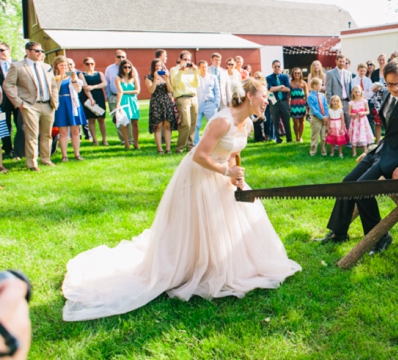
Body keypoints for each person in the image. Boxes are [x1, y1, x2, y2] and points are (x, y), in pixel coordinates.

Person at [62, 79, 301, 320]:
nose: (266, 102)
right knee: (201, 224)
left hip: (222, 174)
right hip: (201, 174)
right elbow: (199, 155)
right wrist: (226, 172)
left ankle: (223, 263)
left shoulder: (247, 122)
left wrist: (234, 176)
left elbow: (232, 153)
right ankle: (195, 266)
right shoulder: (223, 121)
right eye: (264, 96)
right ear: (249, 95)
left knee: (234, 221)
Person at [319, 59, 398, 254]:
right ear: (385, 82)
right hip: (382, 150)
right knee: (347, 183)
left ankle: (381, 237)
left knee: (363, 188)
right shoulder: (387, 95)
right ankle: (339, 232)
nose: (395, 88)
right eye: (390, 84)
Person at [3, 41, 58, 171]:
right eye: (37, 51)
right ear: (28, 51)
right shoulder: (17, 66)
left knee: (47, 134)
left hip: (48, 105)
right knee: (32, 135)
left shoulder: (46, 66)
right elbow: (7, 85)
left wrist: (55, 101)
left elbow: (53, 85)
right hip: (30, 105)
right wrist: (19, 102)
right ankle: (32, 164)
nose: (40, 53)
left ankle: (46, 159)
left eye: (42, 51)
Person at [51, 56, 85, 161]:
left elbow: (78, 89)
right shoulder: (54, 77)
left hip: (73, 103)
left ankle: (77, 153)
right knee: (63, 132)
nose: (64, 67)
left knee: (75, 131)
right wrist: (61, 77)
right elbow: (55, 89)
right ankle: (64, 155)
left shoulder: (72, 76)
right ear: (57, 66)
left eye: (66, 65)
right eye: (61, 65)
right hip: (61, 104)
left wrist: (74, 79)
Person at [105, 50, 140, 143]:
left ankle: (132, 140)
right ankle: (124, 141)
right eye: (119, 57)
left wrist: (130, 94)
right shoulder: (109, 69)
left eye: (123, 57)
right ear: (115, 57)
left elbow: (137, 88)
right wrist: (109, 96)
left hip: (130, 99)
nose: (121, 58)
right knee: (120, 120)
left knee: (133, 121)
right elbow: (107, 83)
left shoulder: (133, 70)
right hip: (114, 96)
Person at [169, 52, 200, 153]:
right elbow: (175, 84)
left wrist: (195, 72)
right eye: (185, 59)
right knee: (186, 123)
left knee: (193, 123)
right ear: (180, 59)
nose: (187, 62)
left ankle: (190, 147)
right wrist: (181, 72)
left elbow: (197, 84)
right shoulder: (174, 70)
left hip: (193, 97)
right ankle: (180, 148)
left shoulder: (192, 70)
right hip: (182, 98)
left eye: (188, 60)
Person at [146, 58, 177, 154]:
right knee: (158, 126)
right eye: (156, 66)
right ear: (152, 67)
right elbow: (151, 90)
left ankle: (168, 148)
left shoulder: (165, 76)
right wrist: (155, 79)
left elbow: (170, 90)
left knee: (167, 126)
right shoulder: (148, 77)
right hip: (156, 102)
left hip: (166, 101)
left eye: (160, 66)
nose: (158, 68)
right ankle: (159, 149)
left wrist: (167, 80)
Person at [80, 58, 108, 146]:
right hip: (88, 98)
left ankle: (104, 139)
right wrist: (91, 99)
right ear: (84, 65)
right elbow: (85, 87)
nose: (90, 65)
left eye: (92, 63)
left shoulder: (99, 74)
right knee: (91, 120)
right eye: (87, 64)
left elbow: (104, 83)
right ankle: (95, 140)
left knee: (101, 119)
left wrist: (93, 87)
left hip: (99, 97)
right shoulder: (81, 74)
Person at [114, 59, 140, 151]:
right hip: (123, 101)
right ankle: (127, 144)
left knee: (135, 123)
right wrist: (118, 104)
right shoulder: (118, 78)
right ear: (121, 68)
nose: (127, 69)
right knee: (125, 123)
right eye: (125, 67)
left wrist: (124, 91)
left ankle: (136, 143)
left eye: (129, 67)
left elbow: (137, 90)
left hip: (133, 101)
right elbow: (119, 91)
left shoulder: (134, 77)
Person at [194, 60, 221, 146]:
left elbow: (217, 91)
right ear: (199, 68)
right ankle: (196, 143)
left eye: (205, 67)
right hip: (198, 102)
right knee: (196, 124)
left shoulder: (213, 77)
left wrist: (216, 103)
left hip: (210, 103)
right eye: (202, 67)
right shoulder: (195, 77)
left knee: (212, 124)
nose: (204, 69)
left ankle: (212, 142)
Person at [266, 61, 292, 144]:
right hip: (274, 101)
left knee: (286, 120)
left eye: (278, 66)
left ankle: (289, 138)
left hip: (283, 101)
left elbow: (288, 89)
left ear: (281, 67)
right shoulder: (269, 78)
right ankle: (278, 139)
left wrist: (275, 88)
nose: (277, 68)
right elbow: (270, 89)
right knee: (275, 121)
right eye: (275, 66)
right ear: (272, 67)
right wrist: (281, 86)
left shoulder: (284, 77)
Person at [325, 54, 352, 127]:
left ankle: (348, 138)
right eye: (340, 61)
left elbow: (350, 88)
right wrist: (329, 103)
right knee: (337, 123)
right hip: (336, 102)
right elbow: (328, 89)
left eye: (343, 61)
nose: (342, 63)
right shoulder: (330, 73)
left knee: (348, 121)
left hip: (347, 101)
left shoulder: (348, 73)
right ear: (336, 61)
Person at [347, 85, 374, 157]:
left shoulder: (364, 101)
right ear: (353, 93)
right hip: (355, 121)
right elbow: (349, 113)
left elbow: (368, 111)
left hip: (362, 121)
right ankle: (354, 152)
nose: (357, 93)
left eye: (358, 92)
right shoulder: (351, 103)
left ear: (361, 92)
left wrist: (363, 113)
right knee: (354, 135)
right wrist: (352, 114)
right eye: (355, 92)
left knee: (363, 134)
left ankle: (365, 152)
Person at [308, 78, 329, 156]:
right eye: (320, 84)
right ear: (314, 85)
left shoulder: (322, 95)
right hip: (316, 118)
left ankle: (324, 151)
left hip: (324, 118)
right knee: (315, 136)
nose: (322, 86)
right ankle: (313, 152)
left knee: (323, 136)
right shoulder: (310, 96)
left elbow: (325, 106)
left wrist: (326, 116)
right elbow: (314, 109)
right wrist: (321, 117)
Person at [288, 68, 308, 143]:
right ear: (293, 74)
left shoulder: (304, 83)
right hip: (293, 103)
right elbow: (288, 95)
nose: (297, 74)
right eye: (295, 73)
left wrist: (307, 104)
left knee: (302, 121)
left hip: (302, 103)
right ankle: (296, 137)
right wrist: (288, 104)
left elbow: (306, 94)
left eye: (298, 73)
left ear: (301, 74)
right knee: (295, 122)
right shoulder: (290, 83)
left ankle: (301, 137)